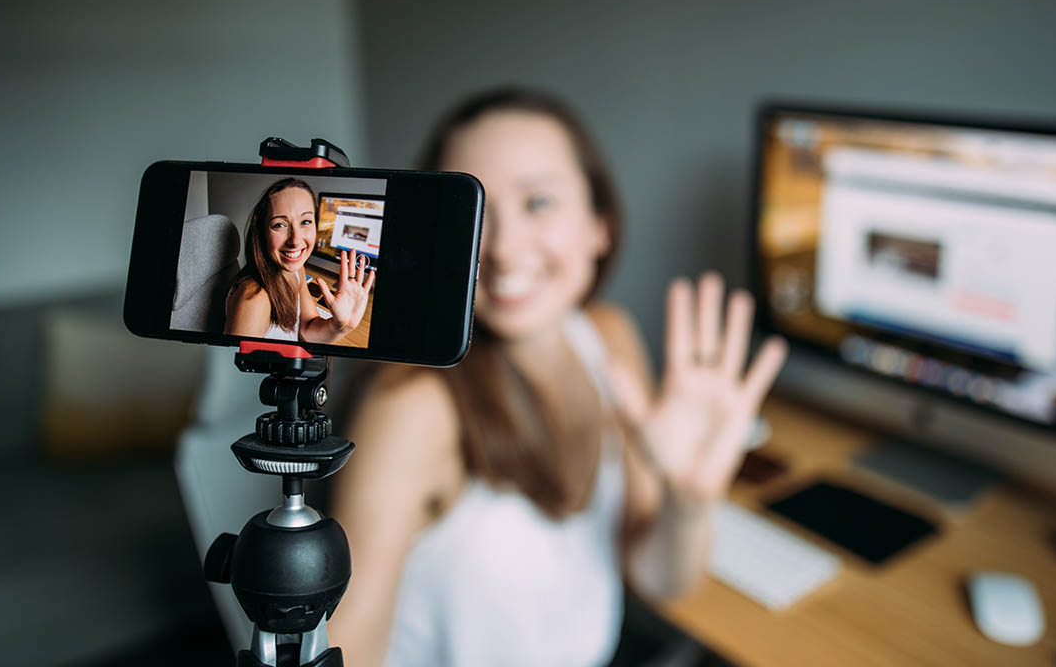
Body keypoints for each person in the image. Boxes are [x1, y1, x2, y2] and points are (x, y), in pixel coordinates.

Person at [326, 88, 787, 667]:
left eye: (538, 202)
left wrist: (688, 502)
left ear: (600, 226)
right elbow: (344, 650)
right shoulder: (413, 405)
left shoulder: (608, 338)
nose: (502, 249)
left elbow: (658, 581)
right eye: (473, 210)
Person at [225, 178, 375, 344]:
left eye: (305, 222)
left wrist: (340, 326)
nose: (295, 240)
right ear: (261, 233)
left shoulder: (295, 269)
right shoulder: (255, 300)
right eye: (279, 225)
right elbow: (235, 368)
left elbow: (307, 328)